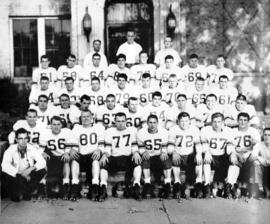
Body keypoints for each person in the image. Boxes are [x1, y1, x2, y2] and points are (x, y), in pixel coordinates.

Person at [99, 112, 142, 201]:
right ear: (115, 121)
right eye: (118, 121)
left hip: (127, 157)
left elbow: (134, 146)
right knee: (104, 162)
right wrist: (104, 155)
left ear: (126, 121)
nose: (120, 123)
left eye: (122, 121)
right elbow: (107, 148)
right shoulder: (110, 131)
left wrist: (136, 152)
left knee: (137, 160)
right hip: (115, 158)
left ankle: (136, 186)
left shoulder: (132, 130)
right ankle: (103, 187)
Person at [2, 128, 46, 202]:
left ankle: (27, 190)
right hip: (16, 175)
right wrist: (21, 173)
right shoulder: (10, 150)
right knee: (16, 199)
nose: (23, 141)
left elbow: (42, 161)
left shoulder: (32, 148)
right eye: (20, 138)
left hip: (28, 174)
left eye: (25, 138)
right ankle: (22, 190)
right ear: (16, 139)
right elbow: (4, 165)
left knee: (42, 170)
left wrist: (30, 169)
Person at [70, 110, 105, 201]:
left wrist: (99, 149)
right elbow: (74, 144)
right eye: (83, 117)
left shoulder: (98, 128)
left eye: (88, 116)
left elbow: (101, 143)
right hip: (81, 155)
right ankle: (75, 186)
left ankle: (95, 186)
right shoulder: (77, 128)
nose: (85, 119)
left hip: (93, 154)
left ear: (92, 118)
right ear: (80, 118)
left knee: (95, 160)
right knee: (74, 159)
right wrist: (73, 150)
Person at [39, 116, 76, 199]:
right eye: (54, 124)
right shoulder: (45, 133)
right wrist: (43, 153)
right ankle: (42, 185)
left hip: (63, 157)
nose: (56, 126)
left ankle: (66, 185)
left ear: (61, 125)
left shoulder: (67, 132)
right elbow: (40, 148)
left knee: (66, 160)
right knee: (42, 158)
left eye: (58, 124)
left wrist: (67, 153)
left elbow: (71, 146)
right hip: (52, 157)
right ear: (50, 125)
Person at [225, 112, 261, 199]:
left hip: (248, 157)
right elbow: (229, 147)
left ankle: (255, 187)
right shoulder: (233, 131)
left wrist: (250, 155)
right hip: (237, 156)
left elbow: (257, 146)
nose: (242, 122)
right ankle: (229, 185)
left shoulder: (254, 131)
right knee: (233, 160)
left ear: (248, 122)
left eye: (245, 120)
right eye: (240, 120)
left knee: (255, 161)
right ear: (237, 121)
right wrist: (234, 153)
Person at [168, 112, 202, 199]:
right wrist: (174, 152)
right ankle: (177, 183)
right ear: (178, 121)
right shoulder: (173, 130)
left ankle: (198, 183)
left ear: (189, 121)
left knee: (199, 160)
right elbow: (170, 146)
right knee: (174, 159)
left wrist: (198, 153)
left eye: (186, 121)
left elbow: (198, 144)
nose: (184, 123)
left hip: (189, 155)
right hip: (178, 154)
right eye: (182, 121)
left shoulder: (194, 129)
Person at [137, 114, 172, 199]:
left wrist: (164, 152)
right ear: (147, 123)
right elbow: (140, 148)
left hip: (159, 155)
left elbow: (166, 147)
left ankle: (168, 183)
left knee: (166, 160)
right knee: (145, 159)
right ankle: (147, 183)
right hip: (149, 156)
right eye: (150, 122)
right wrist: (143, 152)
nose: (152, 125)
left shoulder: (164, 132)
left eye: (154, 122)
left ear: (157, 123)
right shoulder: (141, 133)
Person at [200, 112, 235, 198]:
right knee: (206, 159)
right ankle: (207, 185)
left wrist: (232, 154)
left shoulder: (228, 131)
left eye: (219, 122)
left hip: (222, 156)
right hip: (211, 154)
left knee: (233, 161)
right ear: (211, 122)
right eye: (214, 122)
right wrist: (207, 152)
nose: (216, 124)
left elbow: (230, 148)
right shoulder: (205, 130)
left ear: (223, 122)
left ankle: (228, 186)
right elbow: (204, 145)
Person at [253, 127, 270, 198]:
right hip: (263, 166)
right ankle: (260, 188)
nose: (267, 137)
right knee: (256, 163)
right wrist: (260, 159)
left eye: (269, 135)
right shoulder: (259, 144)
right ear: (263, 135)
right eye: (265, 135)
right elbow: (254, 155)